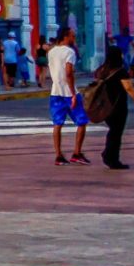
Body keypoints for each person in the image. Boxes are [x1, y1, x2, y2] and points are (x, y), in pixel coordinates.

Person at [88, 43, 134, 171]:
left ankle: (109, 154)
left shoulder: (103, 70)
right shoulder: (121, 71)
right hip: (118, 106)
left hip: (105, 106)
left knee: (113, 131)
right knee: (116, 133)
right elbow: (129, 88)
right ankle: (112, 158)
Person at [48, 32, 90, 166]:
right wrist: (73, 94)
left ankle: (58, 155)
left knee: (57, 124)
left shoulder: (52, 52)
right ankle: (77, 153)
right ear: (65, 37)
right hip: (68, 92)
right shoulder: (69, 52)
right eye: (72, 36)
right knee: (82, 122)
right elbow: (68, 73)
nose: (74, 38)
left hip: (55, 92)